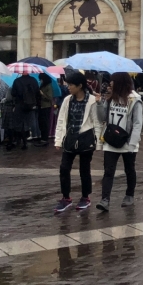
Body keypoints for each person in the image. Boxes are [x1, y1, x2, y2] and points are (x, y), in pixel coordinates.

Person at [95, 72, 143, 210]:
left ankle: (129, 195)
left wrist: (132, 144)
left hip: (127, 141)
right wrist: (100, 103)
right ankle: (104, 199)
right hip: (111, 140)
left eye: (112, 82)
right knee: (108, 171)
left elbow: (137, 123)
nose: (110, 84)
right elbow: (102, 118)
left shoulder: (134, 100)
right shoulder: (110, 98)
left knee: (129, 169)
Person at [53, 71, 100, 212]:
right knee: (64, 168)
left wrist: (98, 142)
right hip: (70, 138)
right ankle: (66, 197)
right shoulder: (68, 100)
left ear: (80, 86)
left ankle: (85, 197)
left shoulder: (92, 100)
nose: (68, 87)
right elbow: (61, 120)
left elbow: (97, 122)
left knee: (84, 169)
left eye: (71, 85)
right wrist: (58, 139)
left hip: (86, 138)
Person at [9, 73, 39, 151]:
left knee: (19, 123)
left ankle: (21, 141)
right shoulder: (34, 80)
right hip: (31, 105)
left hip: (20, 105)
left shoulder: (17, 81)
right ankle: (34, 136)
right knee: (30, 122)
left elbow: (13, 93)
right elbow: (37, 92)